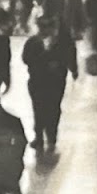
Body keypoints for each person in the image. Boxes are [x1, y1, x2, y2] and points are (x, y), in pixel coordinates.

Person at [21, 13, 78, 155]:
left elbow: (70, 55)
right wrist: (43, 60)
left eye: (49, 26)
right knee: (38, 108)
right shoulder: (33, 42)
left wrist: (72, 68)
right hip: (37, 80)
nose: (46, 29)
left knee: (53, 108)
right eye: (43, 26)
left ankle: (51, 136)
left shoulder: (63, 42)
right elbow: (26, 58)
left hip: (56, 81)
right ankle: (39, 137)